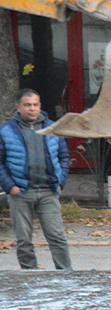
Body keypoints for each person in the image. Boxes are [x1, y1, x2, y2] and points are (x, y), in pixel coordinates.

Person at [0, 89, 72, 270]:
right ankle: (30, 277)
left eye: (35, 105)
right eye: (27, 105)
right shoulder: (6, 130)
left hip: (49, 191)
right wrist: (10, 187)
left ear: (40, 106)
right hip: (21, 193)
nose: (32, 109)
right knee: (24, 240)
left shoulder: (52, 128)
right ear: (18, 107)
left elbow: (64, 157)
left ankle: (66, 275)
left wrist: (61, 181)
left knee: (57, 237)